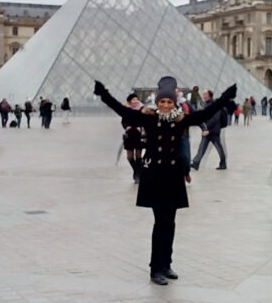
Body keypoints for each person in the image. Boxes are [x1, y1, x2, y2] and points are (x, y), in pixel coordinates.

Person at [95, 76, 236, 286]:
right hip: (154, 175)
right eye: (162, 102)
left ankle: (167, 264)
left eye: (169, 102)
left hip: (172, 175)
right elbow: (122, 111)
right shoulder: (148, 118)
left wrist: (225, 97)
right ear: (157, 102)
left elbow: (206, 113)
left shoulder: (181, 120)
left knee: (170, 222)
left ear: (174, 103)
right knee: (160, 222)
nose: (166, 105)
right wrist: (104, 94)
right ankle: (155, 268)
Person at [191, 89, 227, 171]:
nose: (203, 96)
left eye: (205, 94)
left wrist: (207, 129)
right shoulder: (206, 104)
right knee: (202, 146)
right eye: (203, 94)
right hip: (207, 130)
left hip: (213, 131)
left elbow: (215, 119)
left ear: (209, 95)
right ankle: (196, 163)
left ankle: (223, 163)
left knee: (219, 148)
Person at [122, 93, 146, 183]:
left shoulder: (142, 109)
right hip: (129, 135)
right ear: (129, 101)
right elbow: (123, 121)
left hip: (139, 134)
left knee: (138, 156)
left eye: (136, 99)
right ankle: (137, 171)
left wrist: (140, 127)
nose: (135, 101)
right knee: (130, 157)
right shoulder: (126, 110)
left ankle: (137, 176)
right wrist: (127, 127)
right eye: (133, 99)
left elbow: (144, 121)